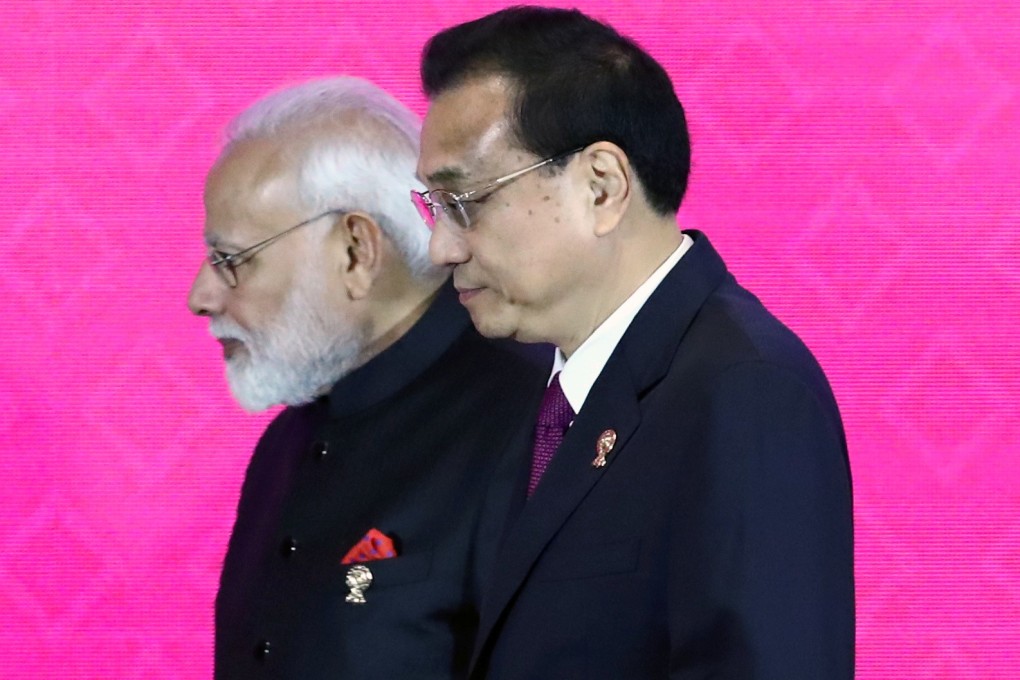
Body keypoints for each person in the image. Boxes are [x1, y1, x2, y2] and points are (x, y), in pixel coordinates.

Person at [412, 7, 855, 679]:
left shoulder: (746, 394)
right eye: (432, 209)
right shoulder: (545, 394)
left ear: (601, 187)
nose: (440, 247)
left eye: (465, 202)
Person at [187, 76, 545, 679]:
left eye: (232, 260)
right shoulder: (289, 440)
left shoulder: (537, 426)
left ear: (356, 250)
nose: (201, 295)